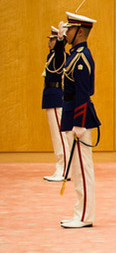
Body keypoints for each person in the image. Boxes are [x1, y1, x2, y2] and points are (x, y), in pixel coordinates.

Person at [59, 11, 100, 229]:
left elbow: (83, 93)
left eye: (70, 29)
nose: (66, 32)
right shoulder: (74, 54)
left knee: (83, 170)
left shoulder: (83, 57)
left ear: (80, 31)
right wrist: (58, 42)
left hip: (79, 117)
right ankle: (79, 211)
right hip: (71, 114)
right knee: (76, 170)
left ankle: (85, 216)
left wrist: (79, 122)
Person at [43, 24, 68, 182]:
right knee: (56, 135)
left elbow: (60, 52)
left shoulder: (60, 55)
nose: (49, 42)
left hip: (56, 96)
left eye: (52, 39)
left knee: (60, 135)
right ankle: (61, 167)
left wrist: (60, 40)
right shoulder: (49, 56)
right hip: (49, 96)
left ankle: (64, 169)